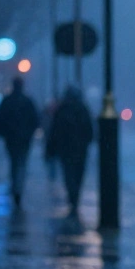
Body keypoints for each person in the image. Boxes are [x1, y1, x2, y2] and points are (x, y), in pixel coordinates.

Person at [46, 86, 94, 215]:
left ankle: (72, 197)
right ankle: (75, 198)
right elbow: (89, 130)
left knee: (69, 174)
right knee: (78, 175)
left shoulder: (62, 109)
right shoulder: (83, 109)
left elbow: (55, 130)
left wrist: (51, 148)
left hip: (66, 150)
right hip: (80, 150)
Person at [0, 77, 40, 207]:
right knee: (21, 164)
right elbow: (35, 120)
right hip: (24, 140)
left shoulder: (7, 101)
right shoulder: (27, 102)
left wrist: (4, 133)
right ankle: (18, 188)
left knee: (14, 163)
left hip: (11, 139)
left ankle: (16, 186)